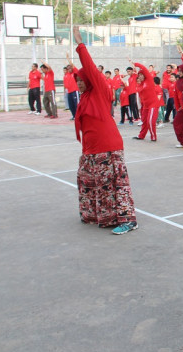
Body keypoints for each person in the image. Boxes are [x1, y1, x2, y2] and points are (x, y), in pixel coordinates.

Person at [70, 27, 137, 235]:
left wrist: (80, 45)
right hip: (90, 149)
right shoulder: (85, 98)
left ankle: (127, 219)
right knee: (88, 180)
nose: (79, 83)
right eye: (77, 80)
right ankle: (96, 214)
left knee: (114, 185)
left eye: (82, 80)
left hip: (108, 147)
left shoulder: (98, 90)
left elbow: (89, 68)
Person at [131, 60, 160, 142]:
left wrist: (135, 64)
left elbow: (144, 68)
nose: (140, 76)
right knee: (144, 121)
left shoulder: (149, 80)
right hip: (145, 106)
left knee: (150, 121)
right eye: (139, 75)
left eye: (141, 75)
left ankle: (153, 136)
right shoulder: (140, 84)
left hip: (153, 104)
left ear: (144, 75)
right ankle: (141, 136)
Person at [64, 56, 79, 120]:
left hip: (75, 91)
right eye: (68, 68)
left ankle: (78, 116)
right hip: (69, 91)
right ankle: (74, 115)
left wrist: (68, 59)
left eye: (70, 68)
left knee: (77, 104)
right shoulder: (67, 75)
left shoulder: (75, 72)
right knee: (71, 105)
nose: (69, 69)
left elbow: (72, 65)